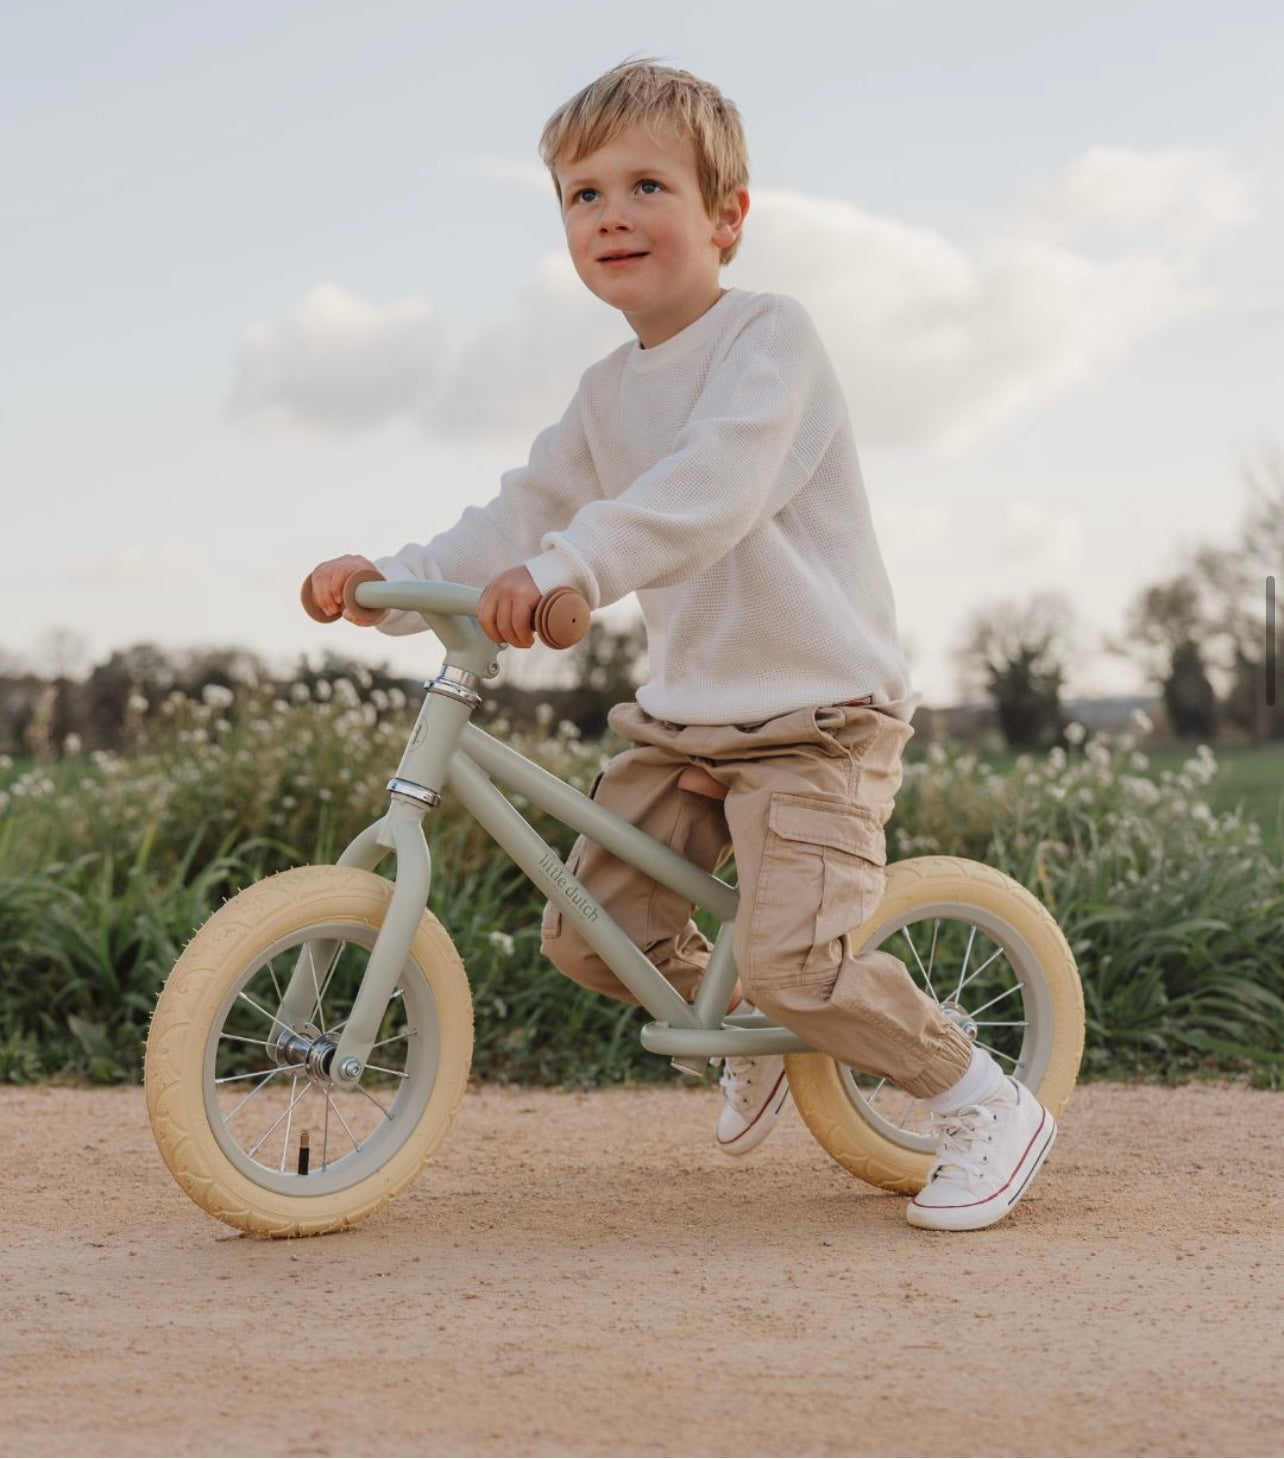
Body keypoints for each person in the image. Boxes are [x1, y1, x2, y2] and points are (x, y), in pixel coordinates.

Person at [306, 60, 1056, 1231]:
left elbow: (715, 486)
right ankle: (755, 1020)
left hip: (819, 714)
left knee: (802, 963)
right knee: (586, 931)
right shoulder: (608, 393)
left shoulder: (772, 342)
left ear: (725, 216)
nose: (609, 214)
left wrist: (571, 571)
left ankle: (981, 1096)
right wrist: (387, 587)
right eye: (580, 194)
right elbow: (517, 512)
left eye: (645, 184)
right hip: (687, 716)